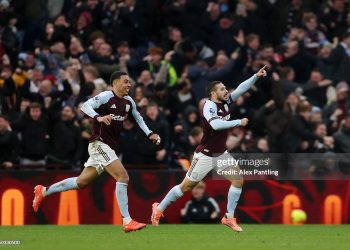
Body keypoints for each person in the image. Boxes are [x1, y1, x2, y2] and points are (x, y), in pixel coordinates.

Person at [32, 71, 161, 233]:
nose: (129, 85)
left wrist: (150, 133)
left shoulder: (128, 101)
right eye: (125, 82)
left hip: (107, 147)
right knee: (123, 176)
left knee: (81, 182)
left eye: (129, 82)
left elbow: (138, 118)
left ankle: (43, 191)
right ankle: (127, 220)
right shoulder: (106, 96)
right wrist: (98, 117)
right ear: (114, 83)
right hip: (99, 143)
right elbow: (84, 106)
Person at [151, 65, 268, 232]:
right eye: (222, 89)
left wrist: (256, 76)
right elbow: (216, 124)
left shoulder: (226, 101)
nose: (226, 91)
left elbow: (241, 88)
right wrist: (238, 122)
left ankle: (228, 217)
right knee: (186, 187)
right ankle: (159, 208)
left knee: (238, 180)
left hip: (220, 153)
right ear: (213, 93)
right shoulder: (209, 106)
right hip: (205, 155)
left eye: (225, 88)